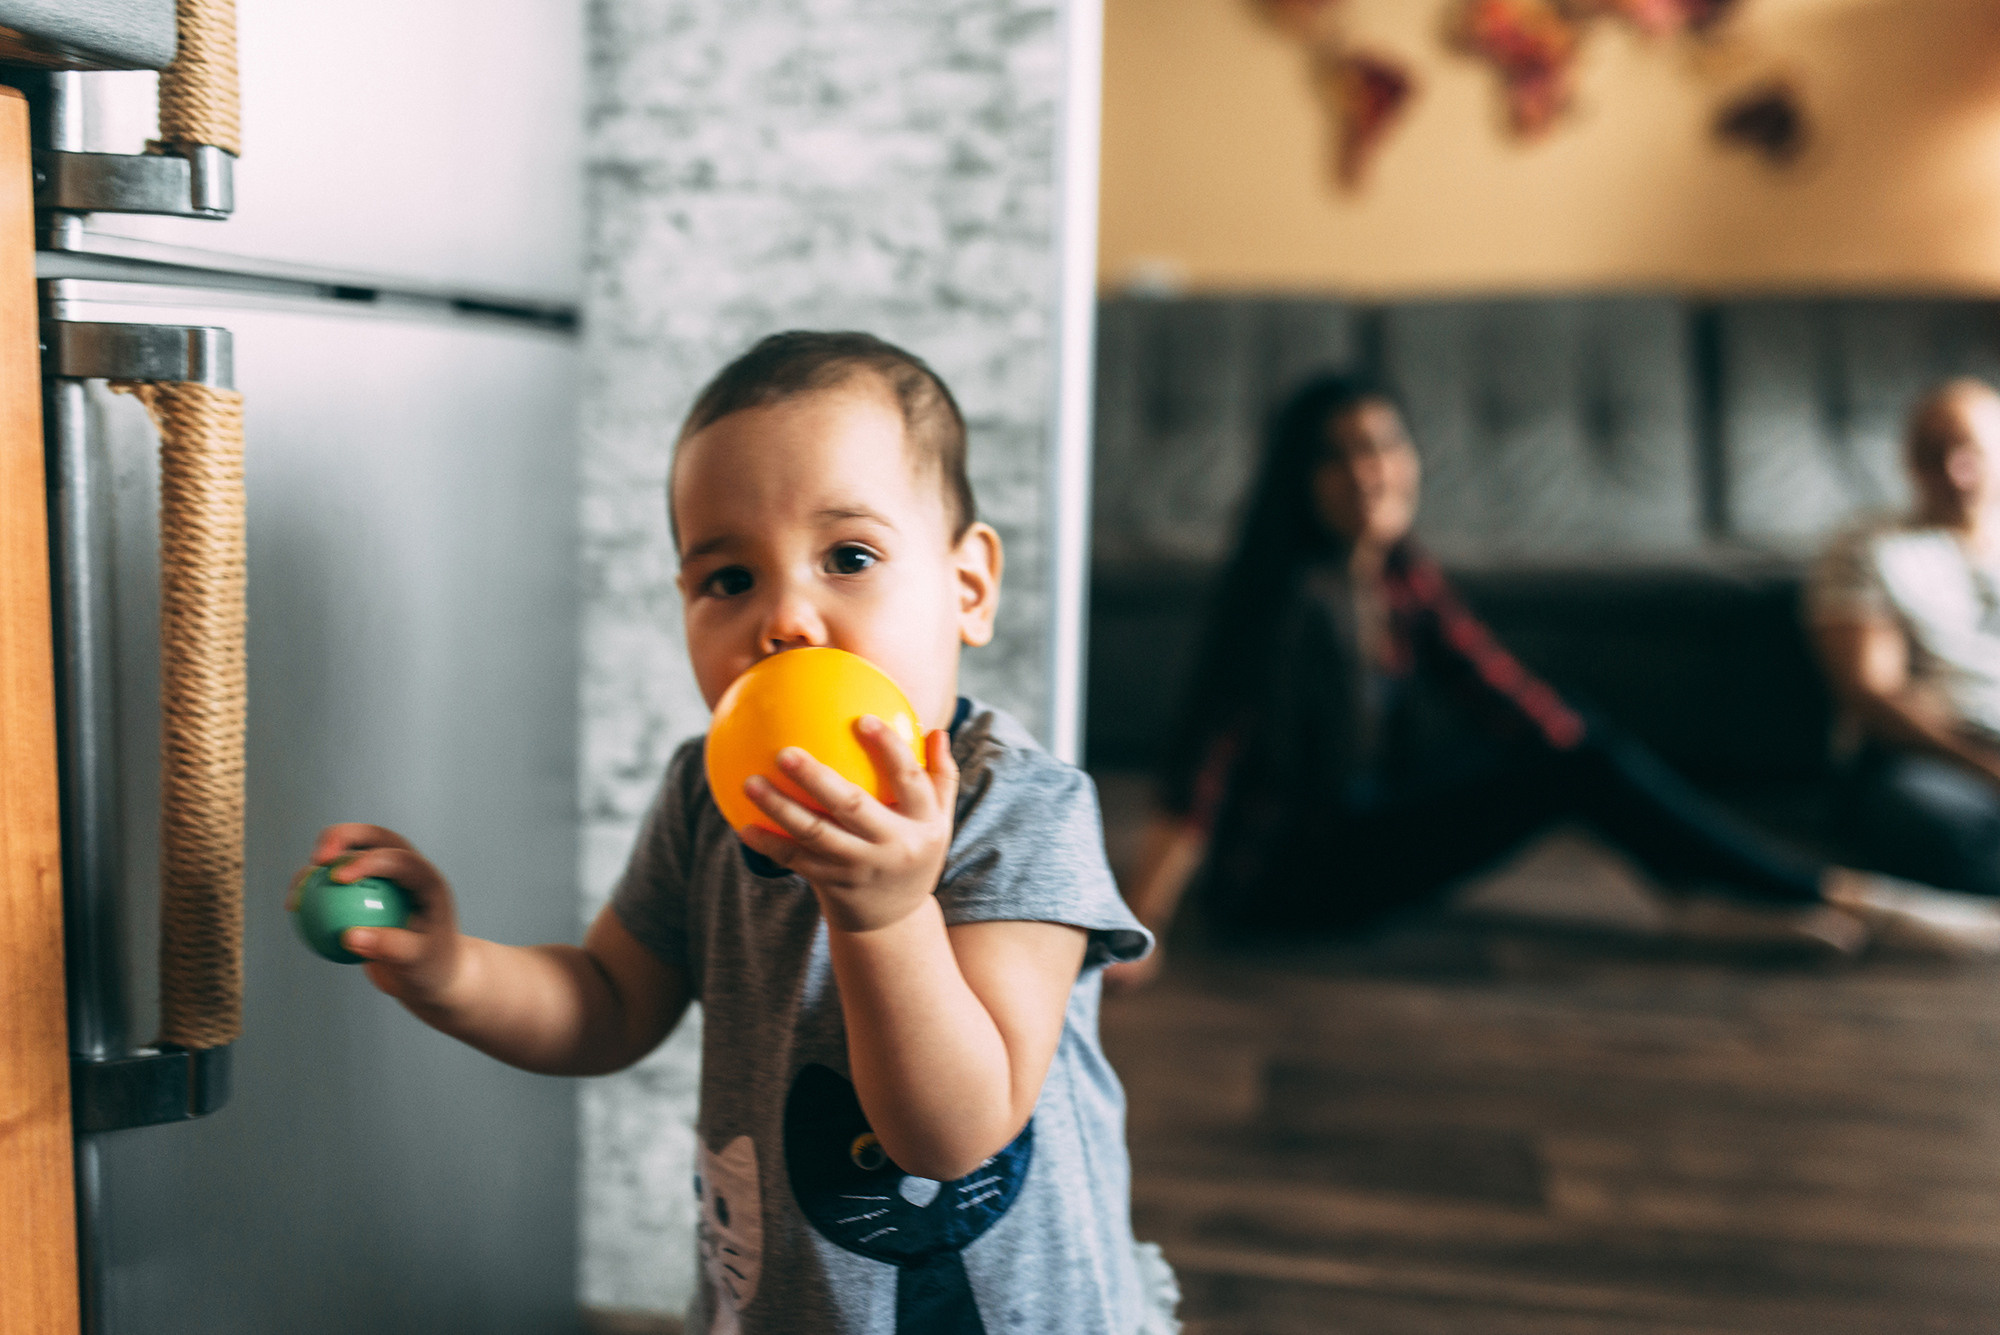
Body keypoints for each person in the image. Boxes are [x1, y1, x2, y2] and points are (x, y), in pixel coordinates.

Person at [303, 332, 1175, 1335]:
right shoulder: (704, 802)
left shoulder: (1017, 811)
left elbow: (953, 1134)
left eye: (848, 558)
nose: (785, 621)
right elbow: (609, 1004)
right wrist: (453, 970)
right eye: (729, 580)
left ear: (966, 588)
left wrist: (886, 915)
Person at [1107, 373, 2000, 990]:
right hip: (1288, 886)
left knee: (1568, 742)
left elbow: (1507, 698)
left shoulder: (1397, 576)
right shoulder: (1284, 596)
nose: (1370, 470)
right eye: (1339, 455)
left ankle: (1722, 887)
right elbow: (1203, 760)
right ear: (1301, 481)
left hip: (1359, 826)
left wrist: (1588, 756)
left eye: (1385, 444)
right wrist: (1142, 925)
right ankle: (1830, 894)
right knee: (1570, 753)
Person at [1810, 377, 2000, 899]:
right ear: (1909, 462)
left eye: (1970, 450)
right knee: (1944, 827)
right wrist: (1988, 768)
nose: (1955, 472)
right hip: (1925, 758)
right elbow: (1873, 694)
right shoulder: (1868, 548)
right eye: (1932, 453)